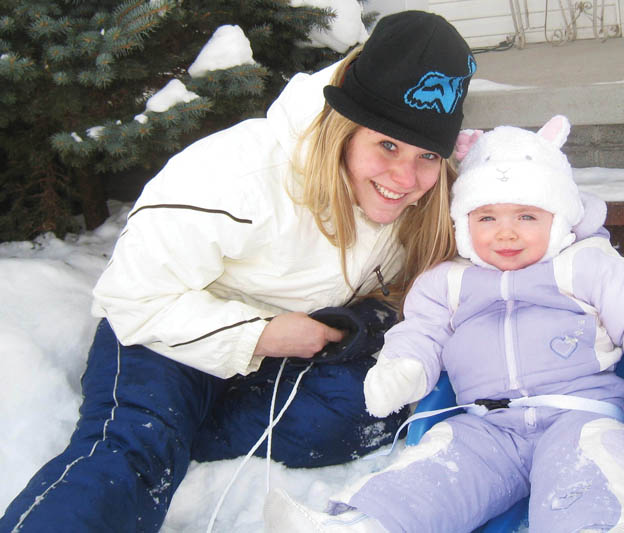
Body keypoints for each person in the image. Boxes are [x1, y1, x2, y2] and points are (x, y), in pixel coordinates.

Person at [0, 11, 475, 533]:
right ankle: (156, 436)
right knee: (132, 452)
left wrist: (355, 325)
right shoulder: (238, 176)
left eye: (427, 155)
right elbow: (132, 297)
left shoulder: (426, 202)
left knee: (373, 408)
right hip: (168, 335)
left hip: (290, 354)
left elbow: (459, 272)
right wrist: (262, 334)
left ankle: (189, 431)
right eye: (386, 145)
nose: (404, 179)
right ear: (344, 128)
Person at [265, 117, 624, 533]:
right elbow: (421, 332)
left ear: (559, 220)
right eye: (487, 218)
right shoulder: (447, 282)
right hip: (485, 424)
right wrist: (404, 367)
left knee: (583, 480)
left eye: (527, 217)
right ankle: (364, 524)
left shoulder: (585, 265)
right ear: (463, 224)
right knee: (432, 477)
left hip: (578, 415)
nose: (506, 233)